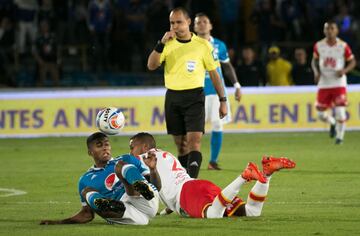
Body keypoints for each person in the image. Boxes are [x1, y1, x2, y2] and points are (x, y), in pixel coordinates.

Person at [130, 132, 296, 219]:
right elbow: (168, 184)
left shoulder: (142, 158)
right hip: (197, 187)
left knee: (213, 215)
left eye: (133, 147)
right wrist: (168, 208)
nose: (131, 152)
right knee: (251, 212)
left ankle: (244, 176)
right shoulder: (165, 155)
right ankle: (266, 173)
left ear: (145, 147)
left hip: (188, 194)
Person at [147, 7, 227, 178]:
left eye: (179, 22)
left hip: (195, 97)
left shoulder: (203, 45)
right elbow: (151, 66)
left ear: (188, 22)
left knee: (194, 142)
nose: (175, 26)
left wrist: (223, 100)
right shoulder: (167, 44)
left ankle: (191, 183)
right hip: (173, 98)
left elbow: (214, 74)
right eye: (172, 23)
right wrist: (160, 44)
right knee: (181, 145)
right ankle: (184, 181)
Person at [40, 132, 159, 225]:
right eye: (99, 146)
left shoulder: (127, 159)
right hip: (126, 213)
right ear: (90, 152)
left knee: (121, 166)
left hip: (146, 200)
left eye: (106, 144)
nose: (104, 148)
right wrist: (59, 222)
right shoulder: (85, 180)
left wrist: (153, 170)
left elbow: (156, 187)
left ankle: (139, 190)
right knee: (87, 191)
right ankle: (110, 207)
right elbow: (87, 215)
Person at [193, 12, 241, 170]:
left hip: (216, 92)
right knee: (195, 129)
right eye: (198, 22)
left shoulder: (219, 45)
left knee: (217, 125)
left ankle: (213, 161)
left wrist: (237, 86)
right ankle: (192, 161)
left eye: (205, 21)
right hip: (196, 92)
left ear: (210, 25)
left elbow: (227, 66)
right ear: (194, 26)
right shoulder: (190, 45)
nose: (202, 24)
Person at [311, 21, 356, 145]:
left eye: (332, 28)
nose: (329, 31)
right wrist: (316, 72)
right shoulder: (319, 45)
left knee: (340, 111)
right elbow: (314, 61)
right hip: (324, 82)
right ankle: (332, 122)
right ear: (324, 31)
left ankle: (339, 138)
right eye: (327, 28)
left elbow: (353, 62)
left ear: (336, 31)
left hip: (338, 83)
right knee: (320, 114)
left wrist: (345, 70)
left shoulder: (343, 46)